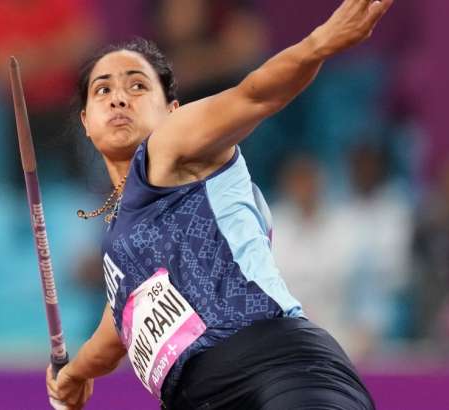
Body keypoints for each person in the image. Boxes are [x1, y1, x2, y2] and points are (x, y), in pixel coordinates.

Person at [46, 1, 394, 409]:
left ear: (172, 109)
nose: (119, 99)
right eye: (103, 89)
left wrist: (321, 42)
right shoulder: (122, 248)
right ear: (86, 120)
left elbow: (254, 95)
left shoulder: (169, 143)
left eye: (138, 86)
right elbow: (116, 331)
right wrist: (76, 372)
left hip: (272, 369)